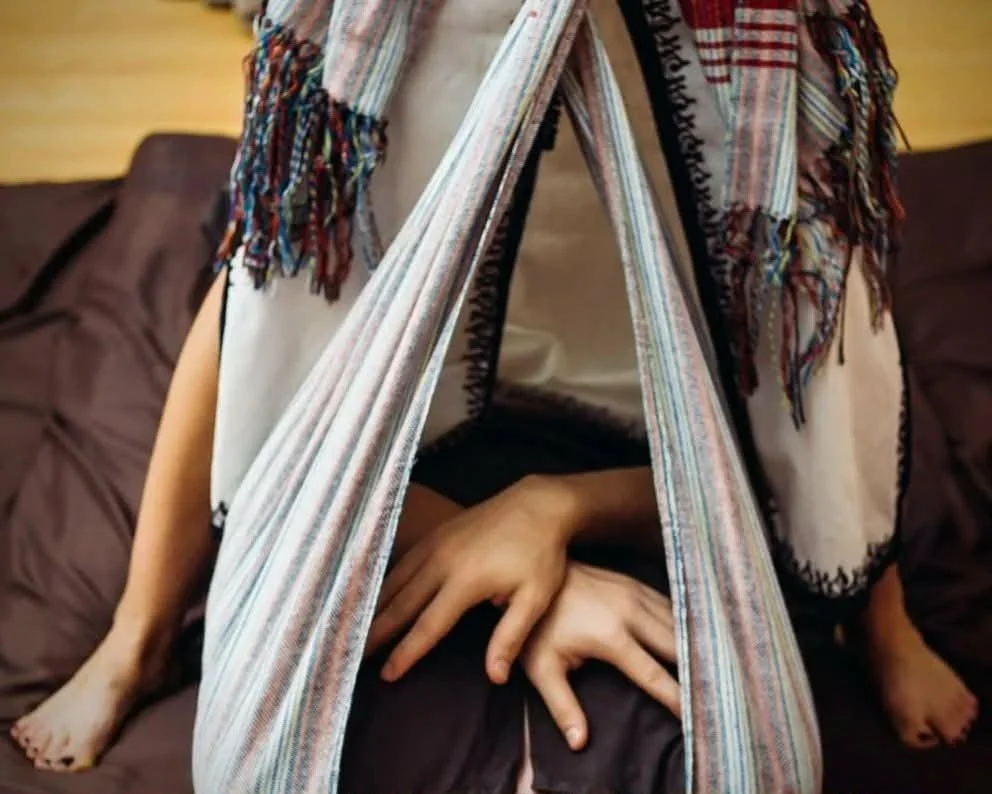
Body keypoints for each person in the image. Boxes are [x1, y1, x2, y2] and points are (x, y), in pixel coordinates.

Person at [8, 0, 978, 785]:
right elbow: (270, 351)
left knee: (804, 291)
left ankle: (878, 615)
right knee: (283, 256)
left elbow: (798, 400)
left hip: (651, 376)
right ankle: (135, 637)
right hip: (434, 349)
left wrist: (534, 517)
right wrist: (544, 540)